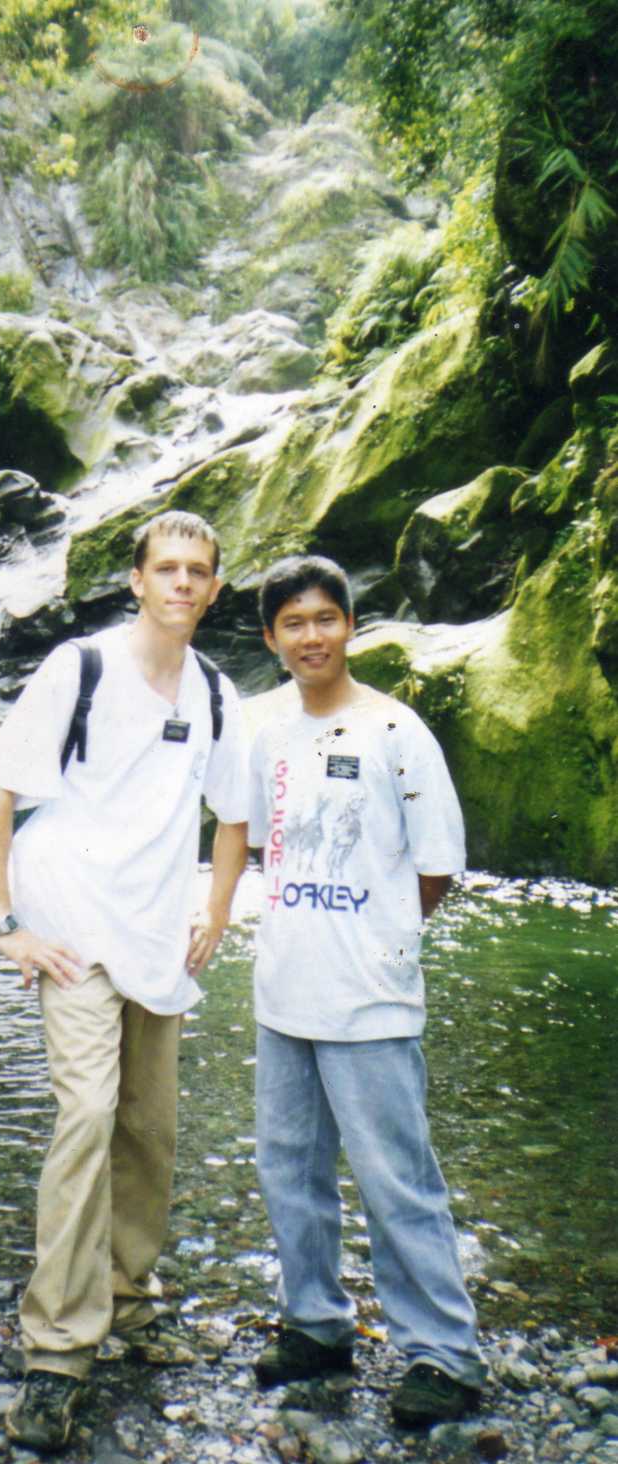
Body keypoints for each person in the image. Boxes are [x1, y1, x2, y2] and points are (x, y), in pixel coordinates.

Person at [0, 510, 249, 1452]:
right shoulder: (78, 668)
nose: (180, 583)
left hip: (156, 936)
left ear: (214, 588)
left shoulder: (215, 689)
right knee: (87, 1115)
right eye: (165, 568)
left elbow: (235, 811)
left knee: (150, 1129)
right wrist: (5, 923)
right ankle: (56, 1350)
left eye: (197, 571)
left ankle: (128, 1297)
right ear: (135, 580)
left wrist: (216, 906)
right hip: (70, 928)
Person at [246, 554, 487, 1428]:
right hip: (283, 992)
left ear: (350, 626)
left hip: (371, 996)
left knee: (396, 1177)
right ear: (272, 640)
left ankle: (444, 1354)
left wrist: (382, 938)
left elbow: (437, 864)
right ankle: (315, 1323)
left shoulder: (396, 731)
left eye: (326, 619)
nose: (312, 637)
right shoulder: (262, 728)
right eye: (293, 624)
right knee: (288, 1170)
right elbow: (250, 838)